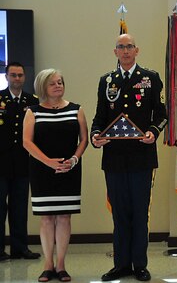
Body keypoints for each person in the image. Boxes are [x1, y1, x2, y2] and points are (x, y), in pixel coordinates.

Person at [91, 33, 167, 282]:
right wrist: (94, 136)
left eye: (129, 47)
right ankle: (121, 264)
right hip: (113, 158)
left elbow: (162, 114)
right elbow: (100, 117)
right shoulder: (107, 81)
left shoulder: (150, 78)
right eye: (121, 47)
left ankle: (139, 265)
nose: (125, 51)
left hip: (141, 157)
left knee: (139, 213)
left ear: (137, 50)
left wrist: (153, 132)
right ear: (115, 52)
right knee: (119, 213)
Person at [23, 69, 88, 282]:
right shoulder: (33, 111)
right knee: (47, 217)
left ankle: (61, 265)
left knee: (64, 217)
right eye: (53, 83)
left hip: (69, 169)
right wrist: (49, 162)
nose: (58, 86)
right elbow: (27, 142)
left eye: (60, 82)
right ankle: (47, 264)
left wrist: (73, 160)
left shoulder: (76, 110)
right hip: (42, 170)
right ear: (43, 87)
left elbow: (84, 140)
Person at [0, 62, 40, 261]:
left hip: (23, 164)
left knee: (19, 208)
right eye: (13, 75)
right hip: (0, 165)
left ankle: (20, 248)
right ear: (7, 77)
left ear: (24, 78)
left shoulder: (32, 101)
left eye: (20, 75)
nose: (17, 79)